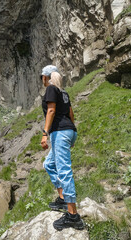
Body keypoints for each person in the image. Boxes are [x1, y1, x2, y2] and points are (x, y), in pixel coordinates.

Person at [40, 65, 84, 231]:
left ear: (47, 77)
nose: (42, 80)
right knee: (49, 164)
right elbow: (71, 114)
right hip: (69, 130)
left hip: (60, 132)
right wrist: (73, 133)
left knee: (64, 171)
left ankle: (73, 216)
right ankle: (63, 198)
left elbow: (51, 111)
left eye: (42, 77)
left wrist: (45, 134)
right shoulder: (63, 92)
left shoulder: (51, 88)